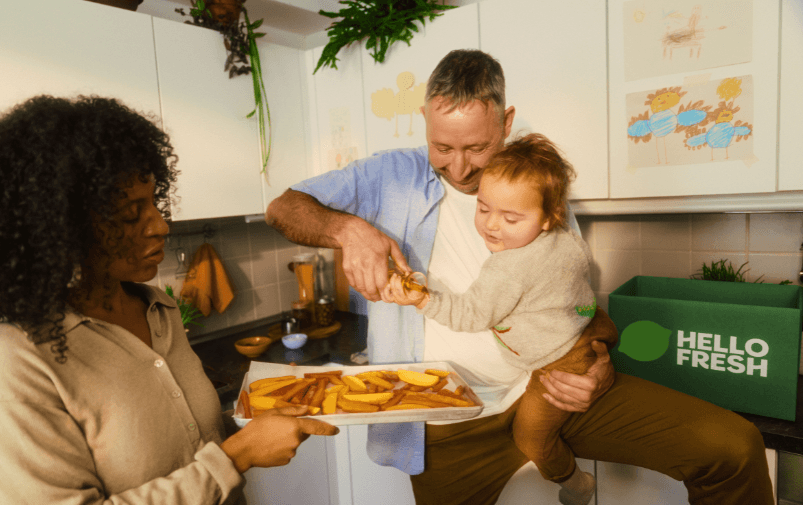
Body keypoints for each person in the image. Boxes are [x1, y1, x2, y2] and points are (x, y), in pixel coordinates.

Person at [265, 49, 774, 505]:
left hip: (551, 389)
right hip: (449, 426)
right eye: (443, 147)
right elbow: (282, 208)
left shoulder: (538, 183)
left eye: (477, 148)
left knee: (733, 447)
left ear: (506, 122)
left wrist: (597, 362)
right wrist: (348, 230)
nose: (460, 168)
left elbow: (571, 300)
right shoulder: (387, 177)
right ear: (424, 119)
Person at [0, 95, 338, 505]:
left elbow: (183, 440)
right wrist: (236, 456)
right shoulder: (8, 363)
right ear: (55, 228)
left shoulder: (158, 308)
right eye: (129, 213)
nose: (160, 225)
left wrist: (247, 429)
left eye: (153, 202)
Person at [383, 133, 614, 505]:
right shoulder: (568, 240)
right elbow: (580, 292)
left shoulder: (507, 267)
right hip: (588, 330)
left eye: (510, 217)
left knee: (531, 437)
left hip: (558, 363)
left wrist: (423, 300)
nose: (492, 226)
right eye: (484, 208)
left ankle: (574, 482)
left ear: (547, 217)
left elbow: (470, 315)